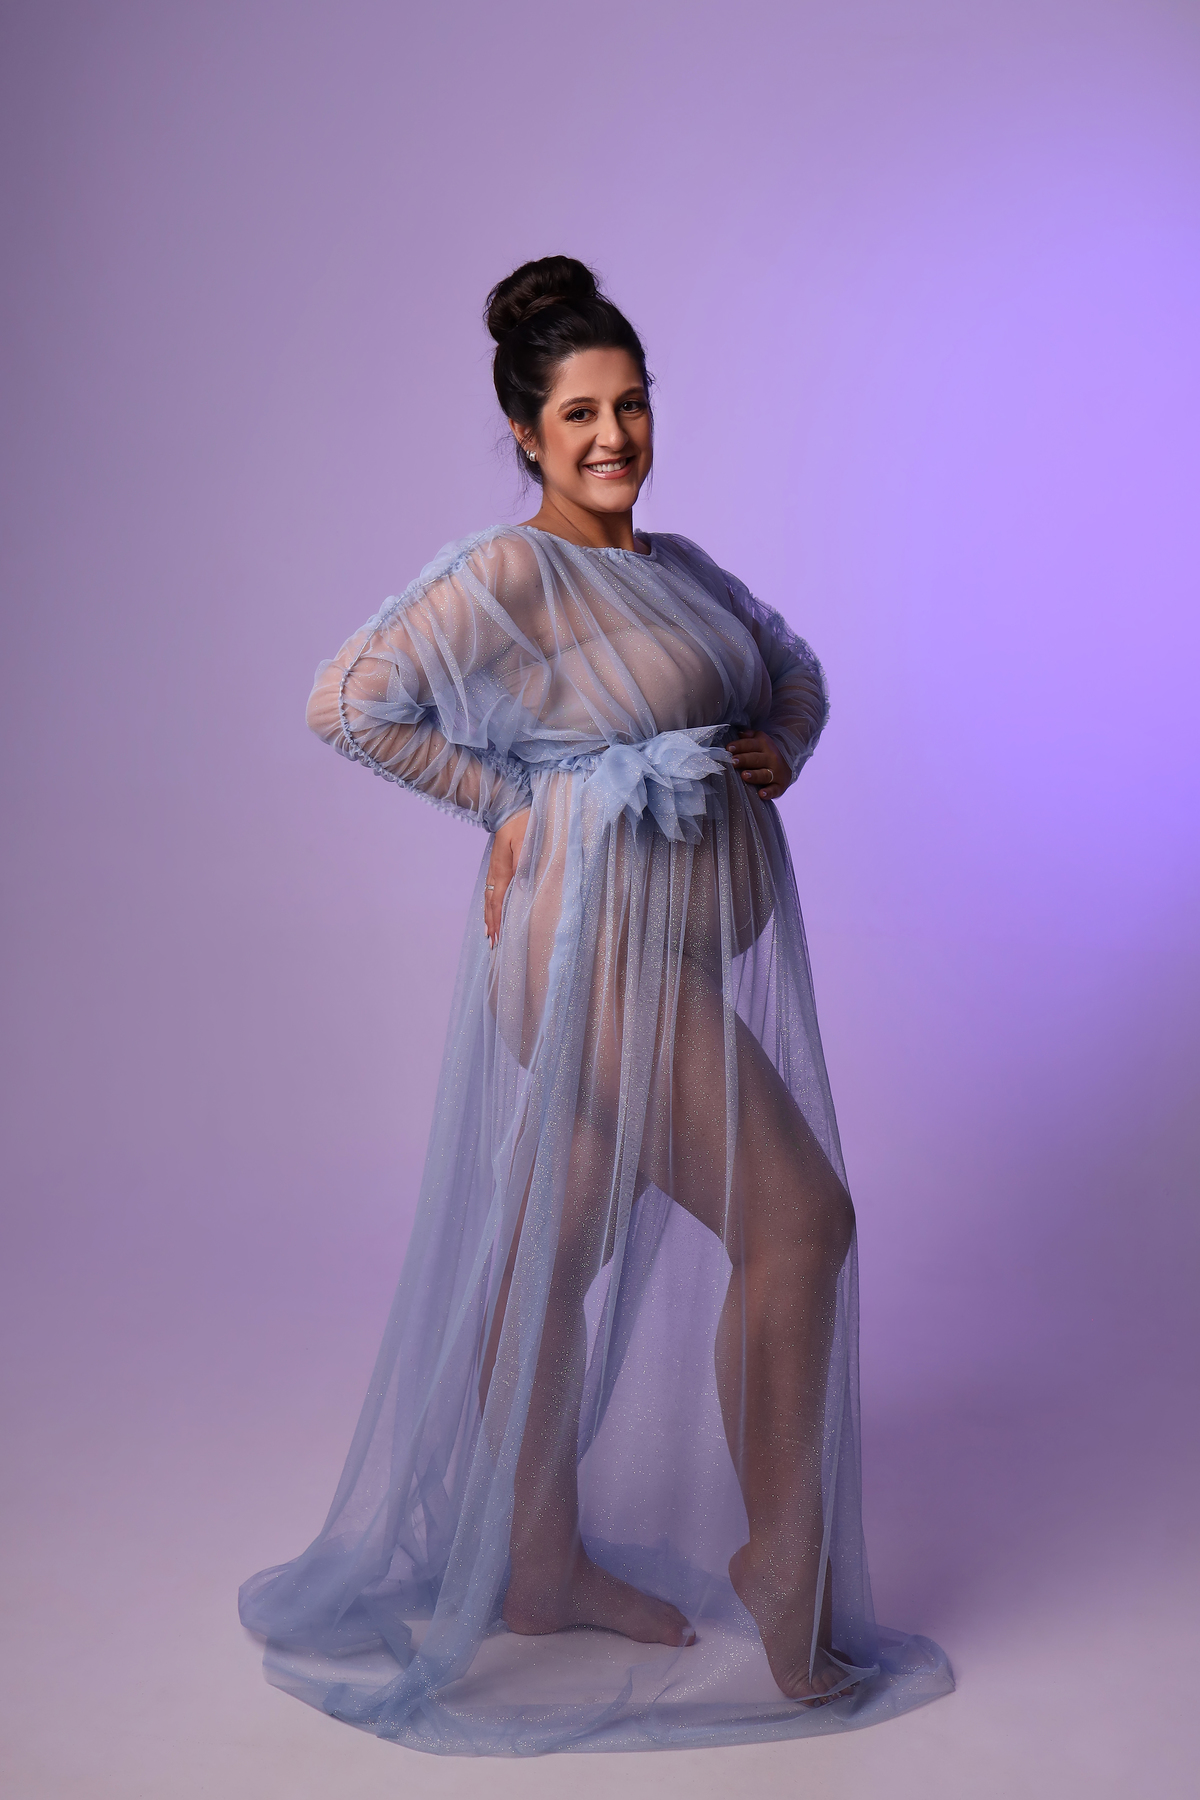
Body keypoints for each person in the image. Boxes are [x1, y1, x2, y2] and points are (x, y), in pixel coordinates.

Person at [239, 256, 953, 1753]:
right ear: (527, 432)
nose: (614, 435)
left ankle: (539, 1564)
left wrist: (778, 744)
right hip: (594, 945)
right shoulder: (509, 574)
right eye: (579, 414)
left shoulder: (679, 565)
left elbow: (795, 671)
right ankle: (781, 1570)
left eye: (631, 405)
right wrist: (508, 801)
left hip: (662, 953)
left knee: (553, 1243)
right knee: (801, 1221)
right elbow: (347, 699)